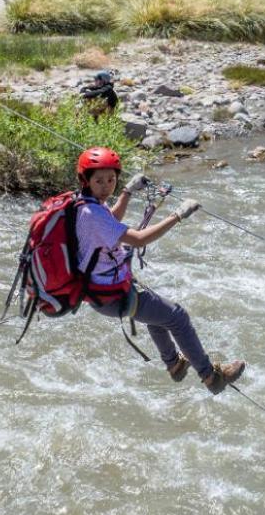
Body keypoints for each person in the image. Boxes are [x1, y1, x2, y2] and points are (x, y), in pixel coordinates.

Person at [72, 146, 245, 394]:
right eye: (98, 181)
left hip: (103, 291)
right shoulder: (92, 213)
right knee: (177, 317)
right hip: (111, 294)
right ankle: (211, 378)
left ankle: (174, 364)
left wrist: (127, 192)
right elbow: (139, 239)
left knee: (158, 315)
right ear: (85, 180)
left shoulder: (84, 205)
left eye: (111, 179)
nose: (105, 186)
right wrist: (178, 215)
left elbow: (110, 221)